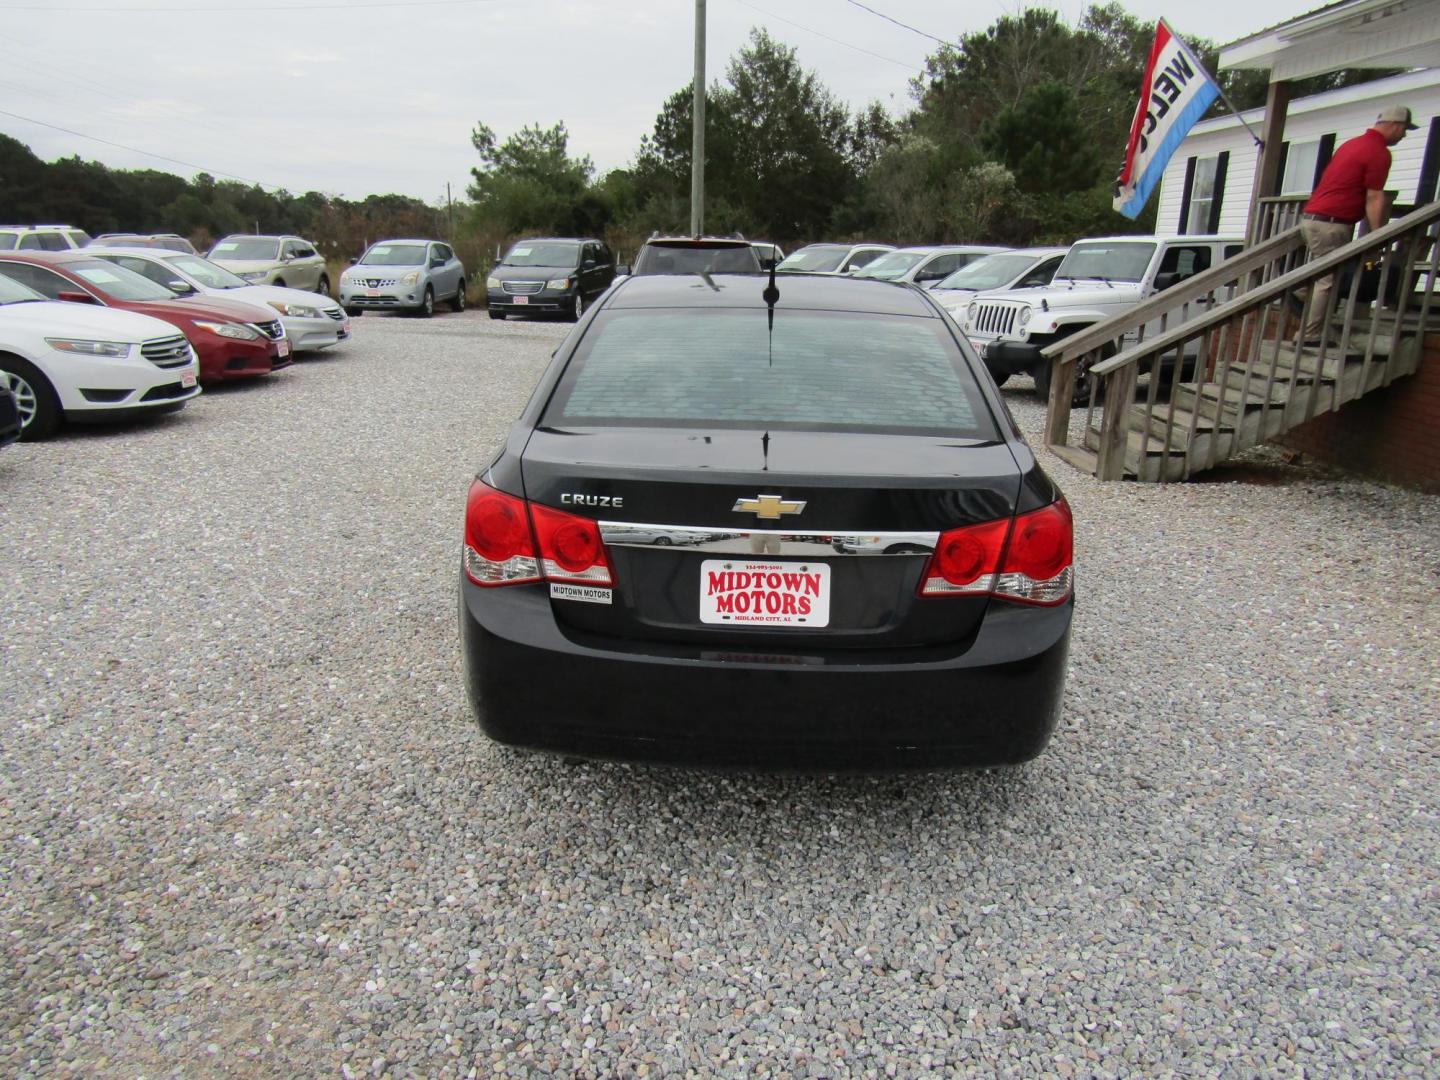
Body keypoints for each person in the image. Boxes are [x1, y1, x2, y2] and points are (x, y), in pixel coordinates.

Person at [1300, 104, 1419, 342]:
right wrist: (1379, 235)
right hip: (1332, 225)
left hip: (1312, 219)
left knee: (1327, 272)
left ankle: (1300, 290)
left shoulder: (1351, 145)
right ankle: (1312, 333)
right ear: (1394, 125)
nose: (1404, 135)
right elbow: (1375, 197)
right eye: (1404, 129)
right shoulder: (1379, 152)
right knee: (1329, 280)